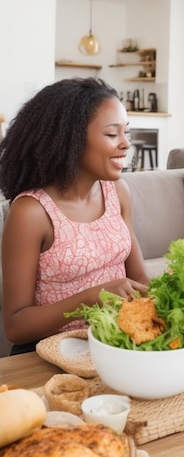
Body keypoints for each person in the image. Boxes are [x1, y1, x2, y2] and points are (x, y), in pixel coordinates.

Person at [0, 77, 149, 354]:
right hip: (51, 354)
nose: (126, 144)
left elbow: (139, 276)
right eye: (111, 134)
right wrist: (92, 297)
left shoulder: (118, 191)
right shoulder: (31, 212)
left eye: (126, 132)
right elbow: (15, 326)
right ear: (71, 139)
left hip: (115, 344)